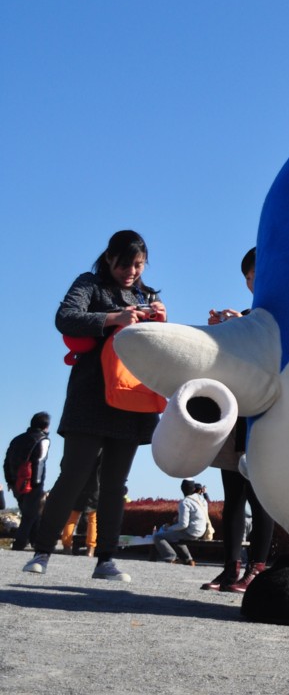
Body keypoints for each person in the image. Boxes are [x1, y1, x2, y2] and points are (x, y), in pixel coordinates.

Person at [24, 230, 166, 582]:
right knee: (74, 474)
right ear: (109, 258)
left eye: (138, 265)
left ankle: (105, 559)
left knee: (116, 483)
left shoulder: (145, 296)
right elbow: (66, 317)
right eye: (125, 264)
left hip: (131, 397)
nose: (131, 271)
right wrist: (112, 318)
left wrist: (160, 321)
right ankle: (42, 550)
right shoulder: (89, 284)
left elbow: (158, 348)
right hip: (91, 395)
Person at [200, 247, 277, 593]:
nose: (253, 280)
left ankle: (257, 568)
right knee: (233, 497)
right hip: (236, 419)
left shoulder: (284, 314)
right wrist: (225, 332)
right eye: (249, 276)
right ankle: (231, 567)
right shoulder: (245, 316)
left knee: (262, 498)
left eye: (259, 273)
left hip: (267, 421)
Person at [5, 412, 52, 552]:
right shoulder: (42, 440)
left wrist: (9, 480)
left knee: (32, 512)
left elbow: (6, 461)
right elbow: (39, 462)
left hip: (15, 482)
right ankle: (20, 543)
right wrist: (36, 483)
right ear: (46, 426)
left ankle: (35, 541)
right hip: (31, 482)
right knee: (29, 515)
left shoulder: (17, 439)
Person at [154, 479, 209, 565]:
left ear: (182, 489)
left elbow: (183, 525)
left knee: (158, 537)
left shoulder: (185, 502)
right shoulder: (201, 500)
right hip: (203, 531)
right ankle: (188, 560)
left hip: (192, 532)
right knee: (177, 534)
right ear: (194, 489)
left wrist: (169, 528)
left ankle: (171, 558)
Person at [59, 456, 101, 556]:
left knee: (72, 518)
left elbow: (64, 464)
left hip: (76, 486)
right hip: (95, 487)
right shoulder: (101, 453)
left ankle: (66, 546)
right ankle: (90, 549)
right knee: (92, 519)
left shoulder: (79, 447)